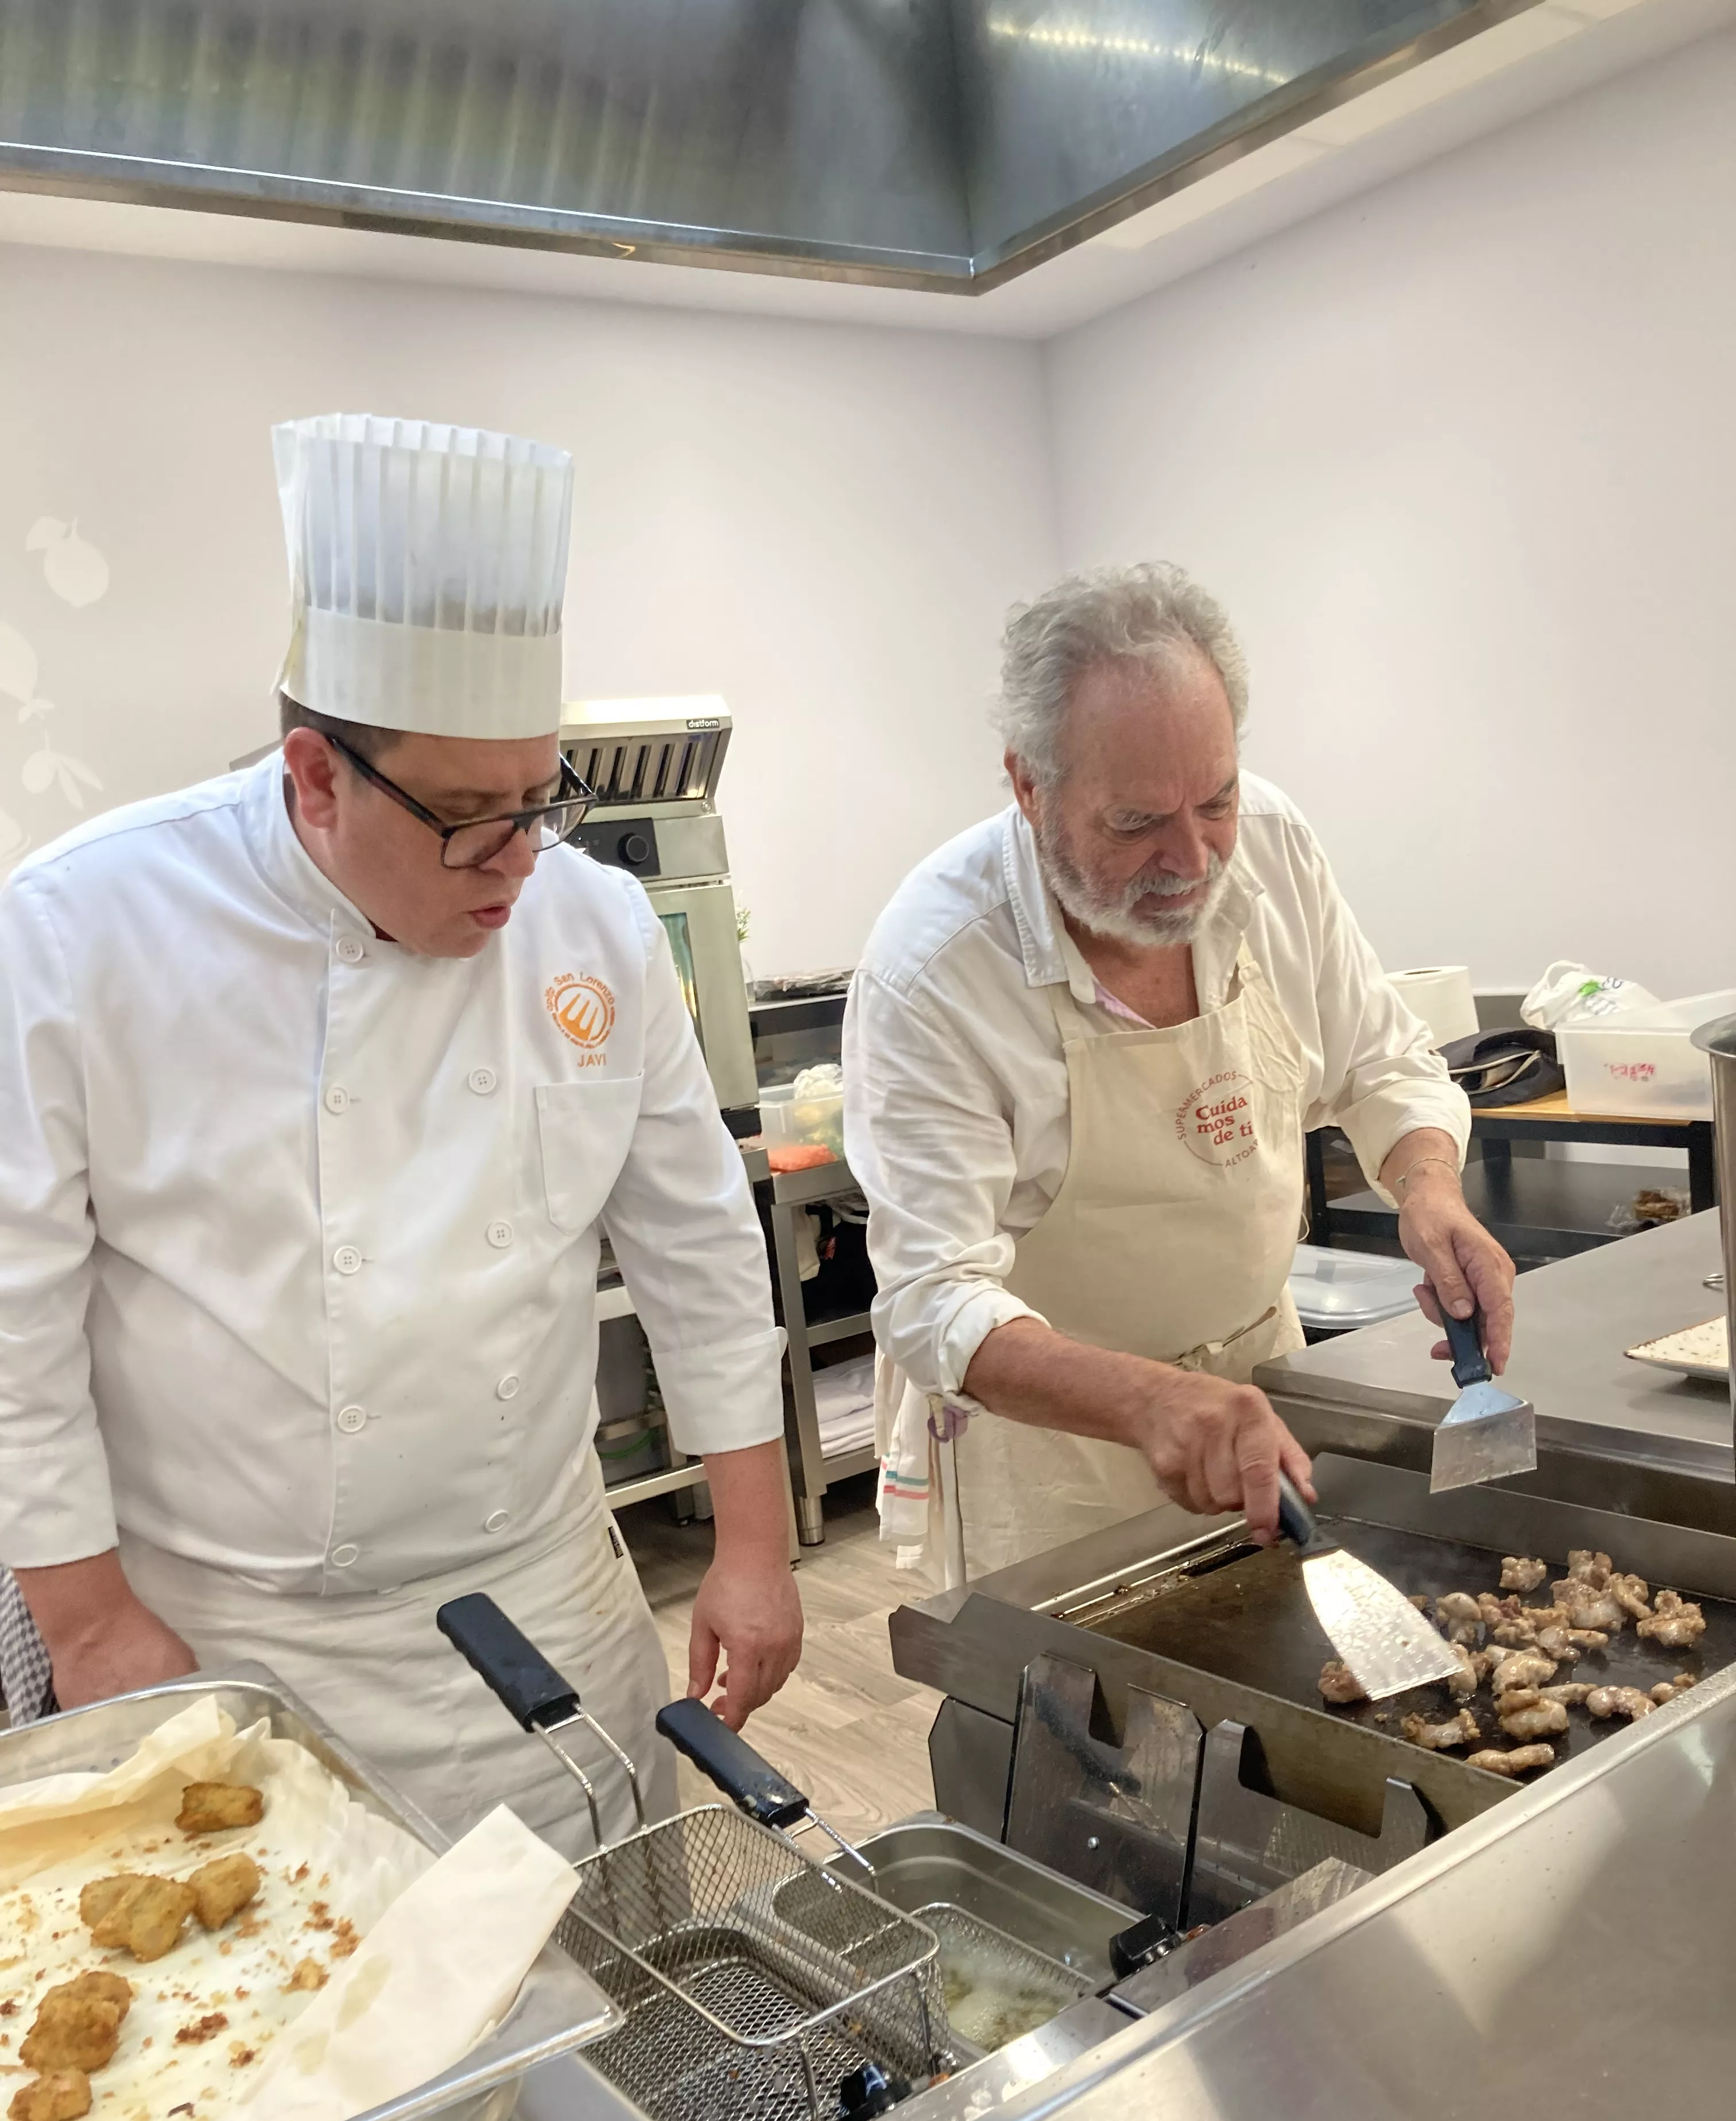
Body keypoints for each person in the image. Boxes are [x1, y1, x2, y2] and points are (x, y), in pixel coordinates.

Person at [0, 412, 802, 1849]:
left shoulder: (595, 928)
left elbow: (694, 1240)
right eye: (464, 820)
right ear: (315, 777)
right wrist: (90, 1619)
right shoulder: (78, 929)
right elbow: (16, 1316)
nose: (516, 863)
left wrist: (753, 1541)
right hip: (236, 1634)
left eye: (536, 802)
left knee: (611, 2009)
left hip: (548, 1602)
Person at [846, 562, 1514, 1582]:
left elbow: (1383, 1061)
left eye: (1216, 801)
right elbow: (931, 1298)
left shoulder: (1276, 850)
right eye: (1135, 823)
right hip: (1056, 1455)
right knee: (1085, 1732)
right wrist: (1150, 1401)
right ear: (1029, 784)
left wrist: (1427, 1190)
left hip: (1263, 1393)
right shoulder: (936, 969)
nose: (1193, 859)